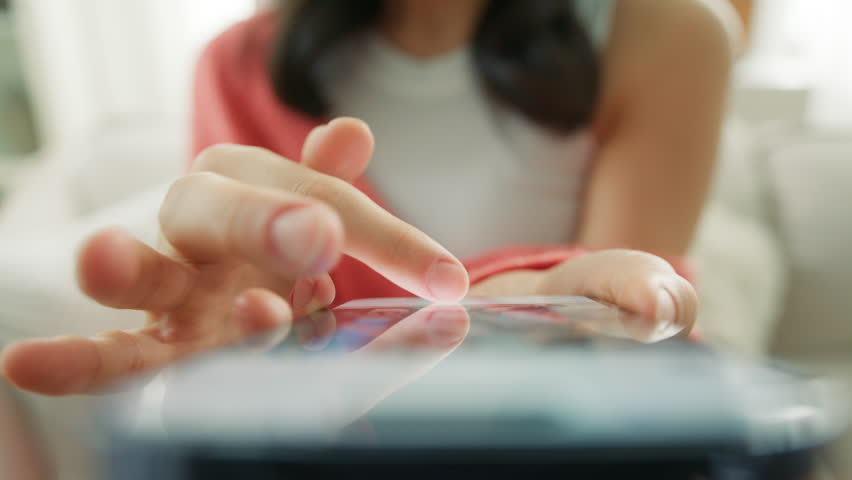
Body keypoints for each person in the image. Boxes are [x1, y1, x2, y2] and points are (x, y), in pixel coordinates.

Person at [1, 0, 734, 396]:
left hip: (557, 418)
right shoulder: (236, 63)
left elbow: (628, 315)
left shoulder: (670, 29)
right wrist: (240, 357)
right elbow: (269, 311)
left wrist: (536, 298)